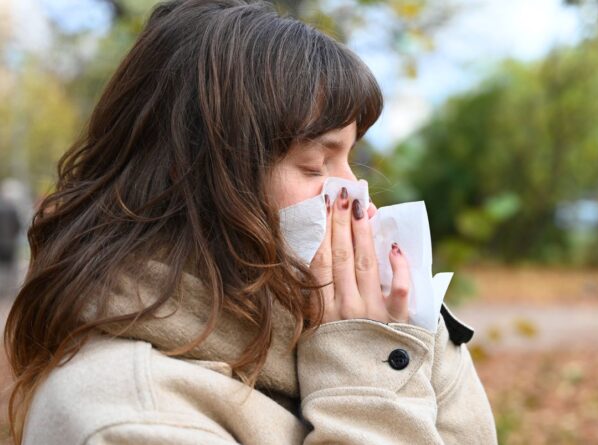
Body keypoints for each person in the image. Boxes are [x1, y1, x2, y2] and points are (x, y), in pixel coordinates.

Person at [3, 1, 497, 444]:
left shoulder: (378, 321)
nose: (357, 197)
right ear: (198, 178)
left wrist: (406, 336)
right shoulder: (123, 413)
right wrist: (367, 373)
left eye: (351, 160)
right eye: (316, 164)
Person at [0, 190, 21, 298]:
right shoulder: (13, 209)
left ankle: (2, 290)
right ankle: (11, 290)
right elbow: (18, 225)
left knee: (2, 267)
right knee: (11, 267)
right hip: (10, 243)